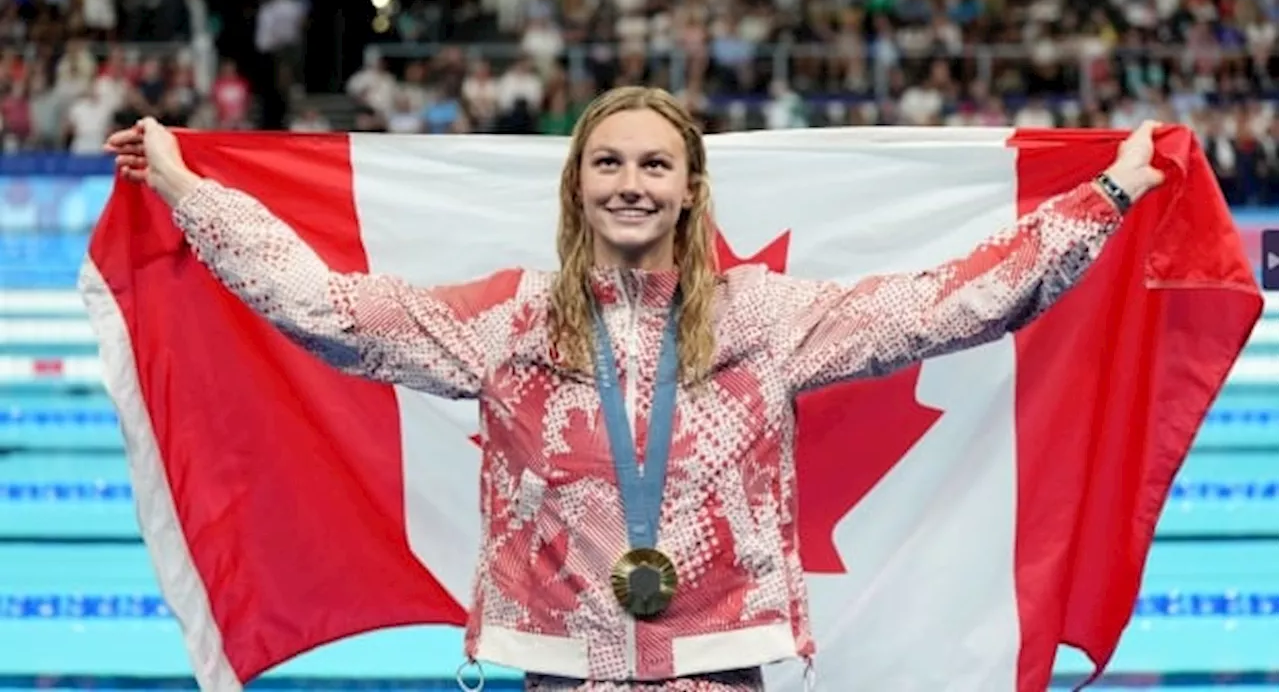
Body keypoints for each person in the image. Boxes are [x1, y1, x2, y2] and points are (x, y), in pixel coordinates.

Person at [104, 86, 1166, 692]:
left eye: (653, 166)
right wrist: (187, 187)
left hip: (723, 658)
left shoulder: (761, 319)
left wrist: (1109, 191)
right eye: (607, 163)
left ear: (689, 188)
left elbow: (951, 304)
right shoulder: (508, 324)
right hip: (560, 661)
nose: (629, 183)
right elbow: (325, 311)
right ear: (577, 185)